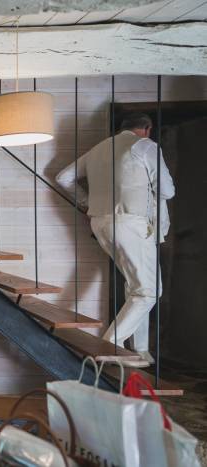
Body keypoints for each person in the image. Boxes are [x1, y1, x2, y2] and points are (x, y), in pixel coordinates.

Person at [55, 113, 174, 368]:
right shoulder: (145, 145)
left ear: (121, 129)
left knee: (137, 288)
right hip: (130, 222)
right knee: (149, 290)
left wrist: (87, 204)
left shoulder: (98, 148)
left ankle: (140, 350)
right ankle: (110, 346)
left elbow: (63, 177)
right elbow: (167, 191)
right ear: (147, 130)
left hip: (101, 224)